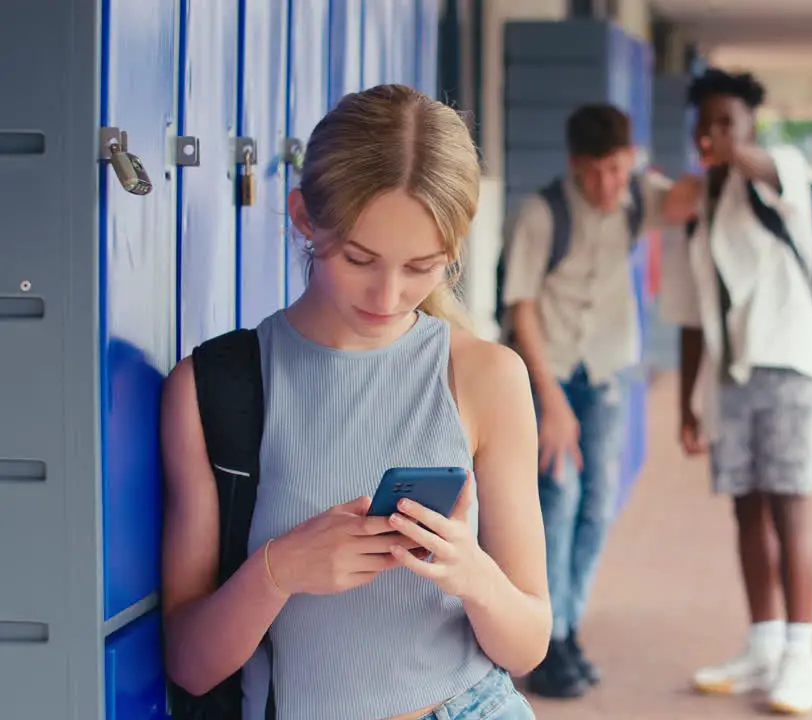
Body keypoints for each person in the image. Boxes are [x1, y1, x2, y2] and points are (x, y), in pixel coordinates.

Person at [160, 84, 549, 720]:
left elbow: (528, 643)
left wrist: (469, 572)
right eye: (359, 258)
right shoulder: (212, 387)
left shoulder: (487, 376)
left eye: (423, 267)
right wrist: (279, 570)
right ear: (303, 218)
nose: (389, 294)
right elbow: (192, 665)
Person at [501, 103, 700, 698]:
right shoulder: (541, 214)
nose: (613, 184)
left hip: (609, 372)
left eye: (621, 168)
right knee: (556, 502)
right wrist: (552, 401)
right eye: (601, 173)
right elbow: (522, 309)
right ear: (574, 166)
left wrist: (716, 150)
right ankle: (548, 639)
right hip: (551, 374)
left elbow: (689, 200)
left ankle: (570, 626)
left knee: (597, 503)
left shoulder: (638, 197)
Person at [659, 68, 812, 715]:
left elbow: (761, 163)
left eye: (727, 122)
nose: (714, 134)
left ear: (749, 126)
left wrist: (732, 153)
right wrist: (687, 405)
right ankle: (763, 647)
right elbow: (692, 316)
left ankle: (800, 658)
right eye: (705, 124)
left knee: (790, 506)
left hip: (790, 365)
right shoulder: (697, 205)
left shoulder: (781, 171)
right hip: (729, 378)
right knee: (745, 509)